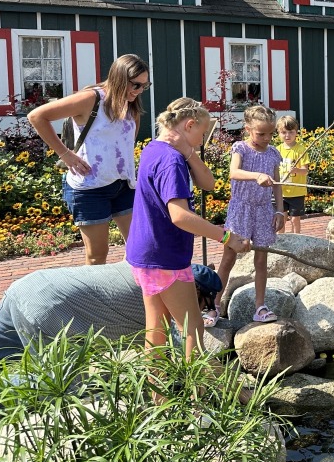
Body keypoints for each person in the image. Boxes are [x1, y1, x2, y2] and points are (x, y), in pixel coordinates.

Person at [0, 262, 223, 419]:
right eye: (203, 303)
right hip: (52, 313)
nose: (200, 310)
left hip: (27, 288)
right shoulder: (168, 290)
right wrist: (239, 391)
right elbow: (190, 357)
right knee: (61, 387)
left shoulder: (150, 266)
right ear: (194, 289)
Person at [126, 98, 251, 362]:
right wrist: (227, 237)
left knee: (156, 332)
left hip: (146, 253)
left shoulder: (155, 148)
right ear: (190, 124)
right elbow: (180, 216)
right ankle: (201, 399)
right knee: (192, 330)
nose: (203, 139)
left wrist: (189, 153)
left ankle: (157, 397)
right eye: (202, 133)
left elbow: (209, 184)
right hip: (166, 256)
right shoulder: (171, 161)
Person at [28, 54, 150, 264]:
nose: (138, 91)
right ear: (120, 77)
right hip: (89, 187)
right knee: (97, 255)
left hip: (124, 185)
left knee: (139, 247)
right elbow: (37, 116)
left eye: (144, 86)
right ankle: (96, 297)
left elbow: (124, 144)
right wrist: (65, 154)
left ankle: (132, 294)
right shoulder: (91, 98)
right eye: (135, 85)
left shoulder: (131, 106)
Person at [213, 105, 285, 326]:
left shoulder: (273, 153)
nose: (266, 138)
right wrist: (257, 176)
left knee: (261, 259)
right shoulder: (240, 149)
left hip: (263, 210)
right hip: (241, 209)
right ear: (247, 129)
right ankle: (214, 305)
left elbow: (277, 185)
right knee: (228, 259)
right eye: (261, 133)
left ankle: (260, 306)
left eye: (271, 134)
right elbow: (233, 172)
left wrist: (280, 210)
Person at [276, 115, 309, 233]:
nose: (287, 135)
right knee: (282, 218)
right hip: (281, 192)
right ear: (279, 133)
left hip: (297, 192)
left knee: (295, 219)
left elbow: (305, 171)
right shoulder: (277, 150)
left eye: (291, 132)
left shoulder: (300, 150)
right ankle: (281, 239)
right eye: (283, 132)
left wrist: (296, 170)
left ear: (296, 132)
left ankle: (297, 237)